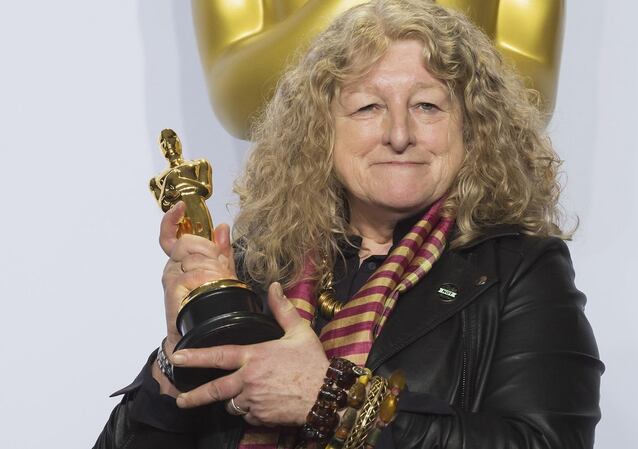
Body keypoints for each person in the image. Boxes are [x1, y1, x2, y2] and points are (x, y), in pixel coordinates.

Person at [95, 1, 603, 448]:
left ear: (471, 127)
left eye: (427, 105)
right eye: (368, 107)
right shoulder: (260, 264)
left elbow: (548, 442)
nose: (399, 134)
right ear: (321, 131)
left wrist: (333, 400)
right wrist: (181, 351)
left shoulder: (518, 268)